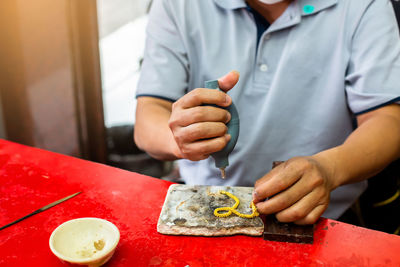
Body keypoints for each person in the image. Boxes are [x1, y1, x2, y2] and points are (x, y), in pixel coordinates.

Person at [134, 0, 400, 225]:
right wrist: (178, 138)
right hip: (203, 203)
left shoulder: (364, 6)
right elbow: (148, 116)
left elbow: (388, 120)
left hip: (326, 216)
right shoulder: (178, 5)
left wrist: (331, 169)